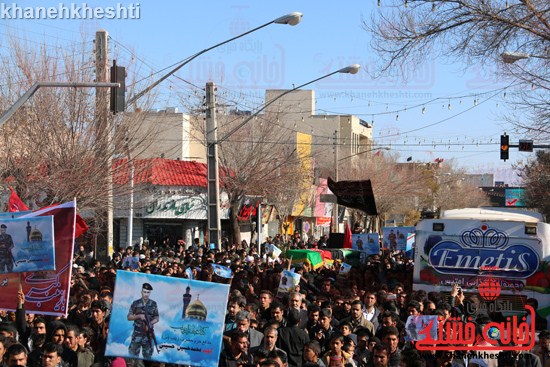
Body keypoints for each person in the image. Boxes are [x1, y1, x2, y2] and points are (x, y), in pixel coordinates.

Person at [127, 283, 159, 359]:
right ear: (141, 292)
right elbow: (129, 317)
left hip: (148, 335)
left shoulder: (153, 304)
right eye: (144, 292)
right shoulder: (135, 303)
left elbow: (157, 317)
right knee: (132, 356)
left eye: (148, 292)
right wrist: (138, 316)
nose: (146, 294)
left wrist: (150, 324)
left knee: (147, 357)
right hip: (137, 334)